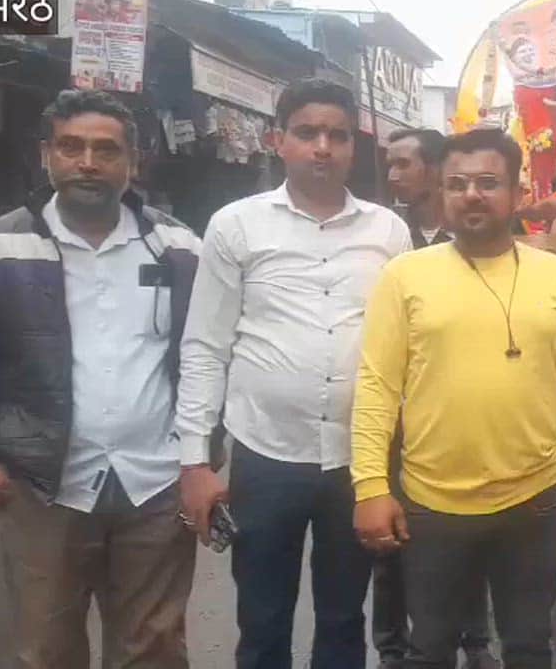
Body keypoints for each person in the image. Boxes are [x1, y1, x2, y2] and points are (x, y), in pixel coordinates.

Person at [0, 89, 202, 667]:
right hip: (44, 488)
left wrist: (199, 456)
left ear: (133, 161)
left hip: (155, 485)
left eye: (106, 150)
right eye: (71, 147)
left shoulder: (177, 248)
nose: (88, 162)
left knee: (155, 650)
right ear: (47, 155)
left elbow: (206, 357)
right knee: (46, 650)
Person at [351, 128, 556, 669]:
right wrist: (371, 486)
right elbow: (378, 385)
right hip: (431, 505)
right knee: (430, 649)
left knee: (528, 648)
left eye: (488, 182)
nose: (471, 194)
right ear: (442, 192)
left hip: (534, 503)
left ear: (518, 193)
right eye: (457, 183)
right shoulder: (404, 276)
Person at [174, 78, 411, 669]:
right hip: (266, 454)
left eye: (336, 135)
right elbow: (205, 345)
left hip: (357, 459)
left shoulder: (388, 232)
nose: (322, 147)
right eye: (307, 133)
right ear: (278, 140)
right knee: (262, 618)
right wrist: (195, 462)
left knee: (343, 618)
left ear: (353, 147)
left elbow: (408, 348)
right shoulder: (236, 225)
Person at [377, 127, 495, 669]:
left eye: (404, 163)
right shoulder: (383, 234)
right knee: (391, 535)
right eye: (390, 163)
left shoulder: (481, 234)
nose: (393, 174)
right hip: (394, 418)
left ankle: (475, 638)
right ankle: (393, 645)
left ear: (434, 170)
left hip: (459, 416)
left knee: (466, 533)